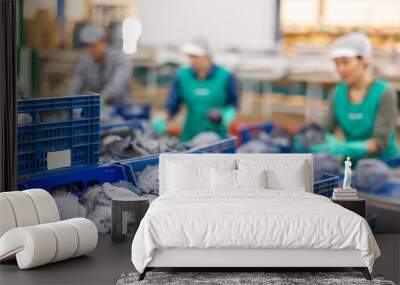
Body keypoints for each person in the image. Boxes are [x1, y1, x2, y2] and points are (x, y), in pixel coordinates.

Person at [311, 32, 399, 160]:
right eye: (337, 63)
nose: (340, 69)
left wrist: (344, 148)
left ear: (363, 60)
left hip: (385, 164)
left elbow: (380, 142)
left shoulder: (385, 92)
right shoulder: (337, 93)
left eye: (345, 62)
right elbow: (326, 130)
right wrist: (313, 138)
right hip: (351, 164)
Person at [152, 37, 239, 142]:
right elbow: (173, 106)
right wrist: (162, 118)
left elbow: (233, 104)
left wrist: (225, 116)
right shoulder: (182, 76)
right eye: (190, 57)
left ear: (207, 56)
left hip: (217, 137)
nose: (193, 61)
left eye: (196, 57)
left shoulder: (225, 76)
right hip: (189, 136)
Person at [68, 24, 132, 106]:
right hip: (98, 109)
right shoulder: (85, 63)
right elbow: (75, 87)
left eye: (93, 45)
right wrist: (68, 104)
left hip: (121, 108)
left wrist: (99, 101)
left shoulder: (120, 60)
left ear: (104, 42)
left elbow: (116, 87)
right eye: (88, 46)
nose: (90, 50)